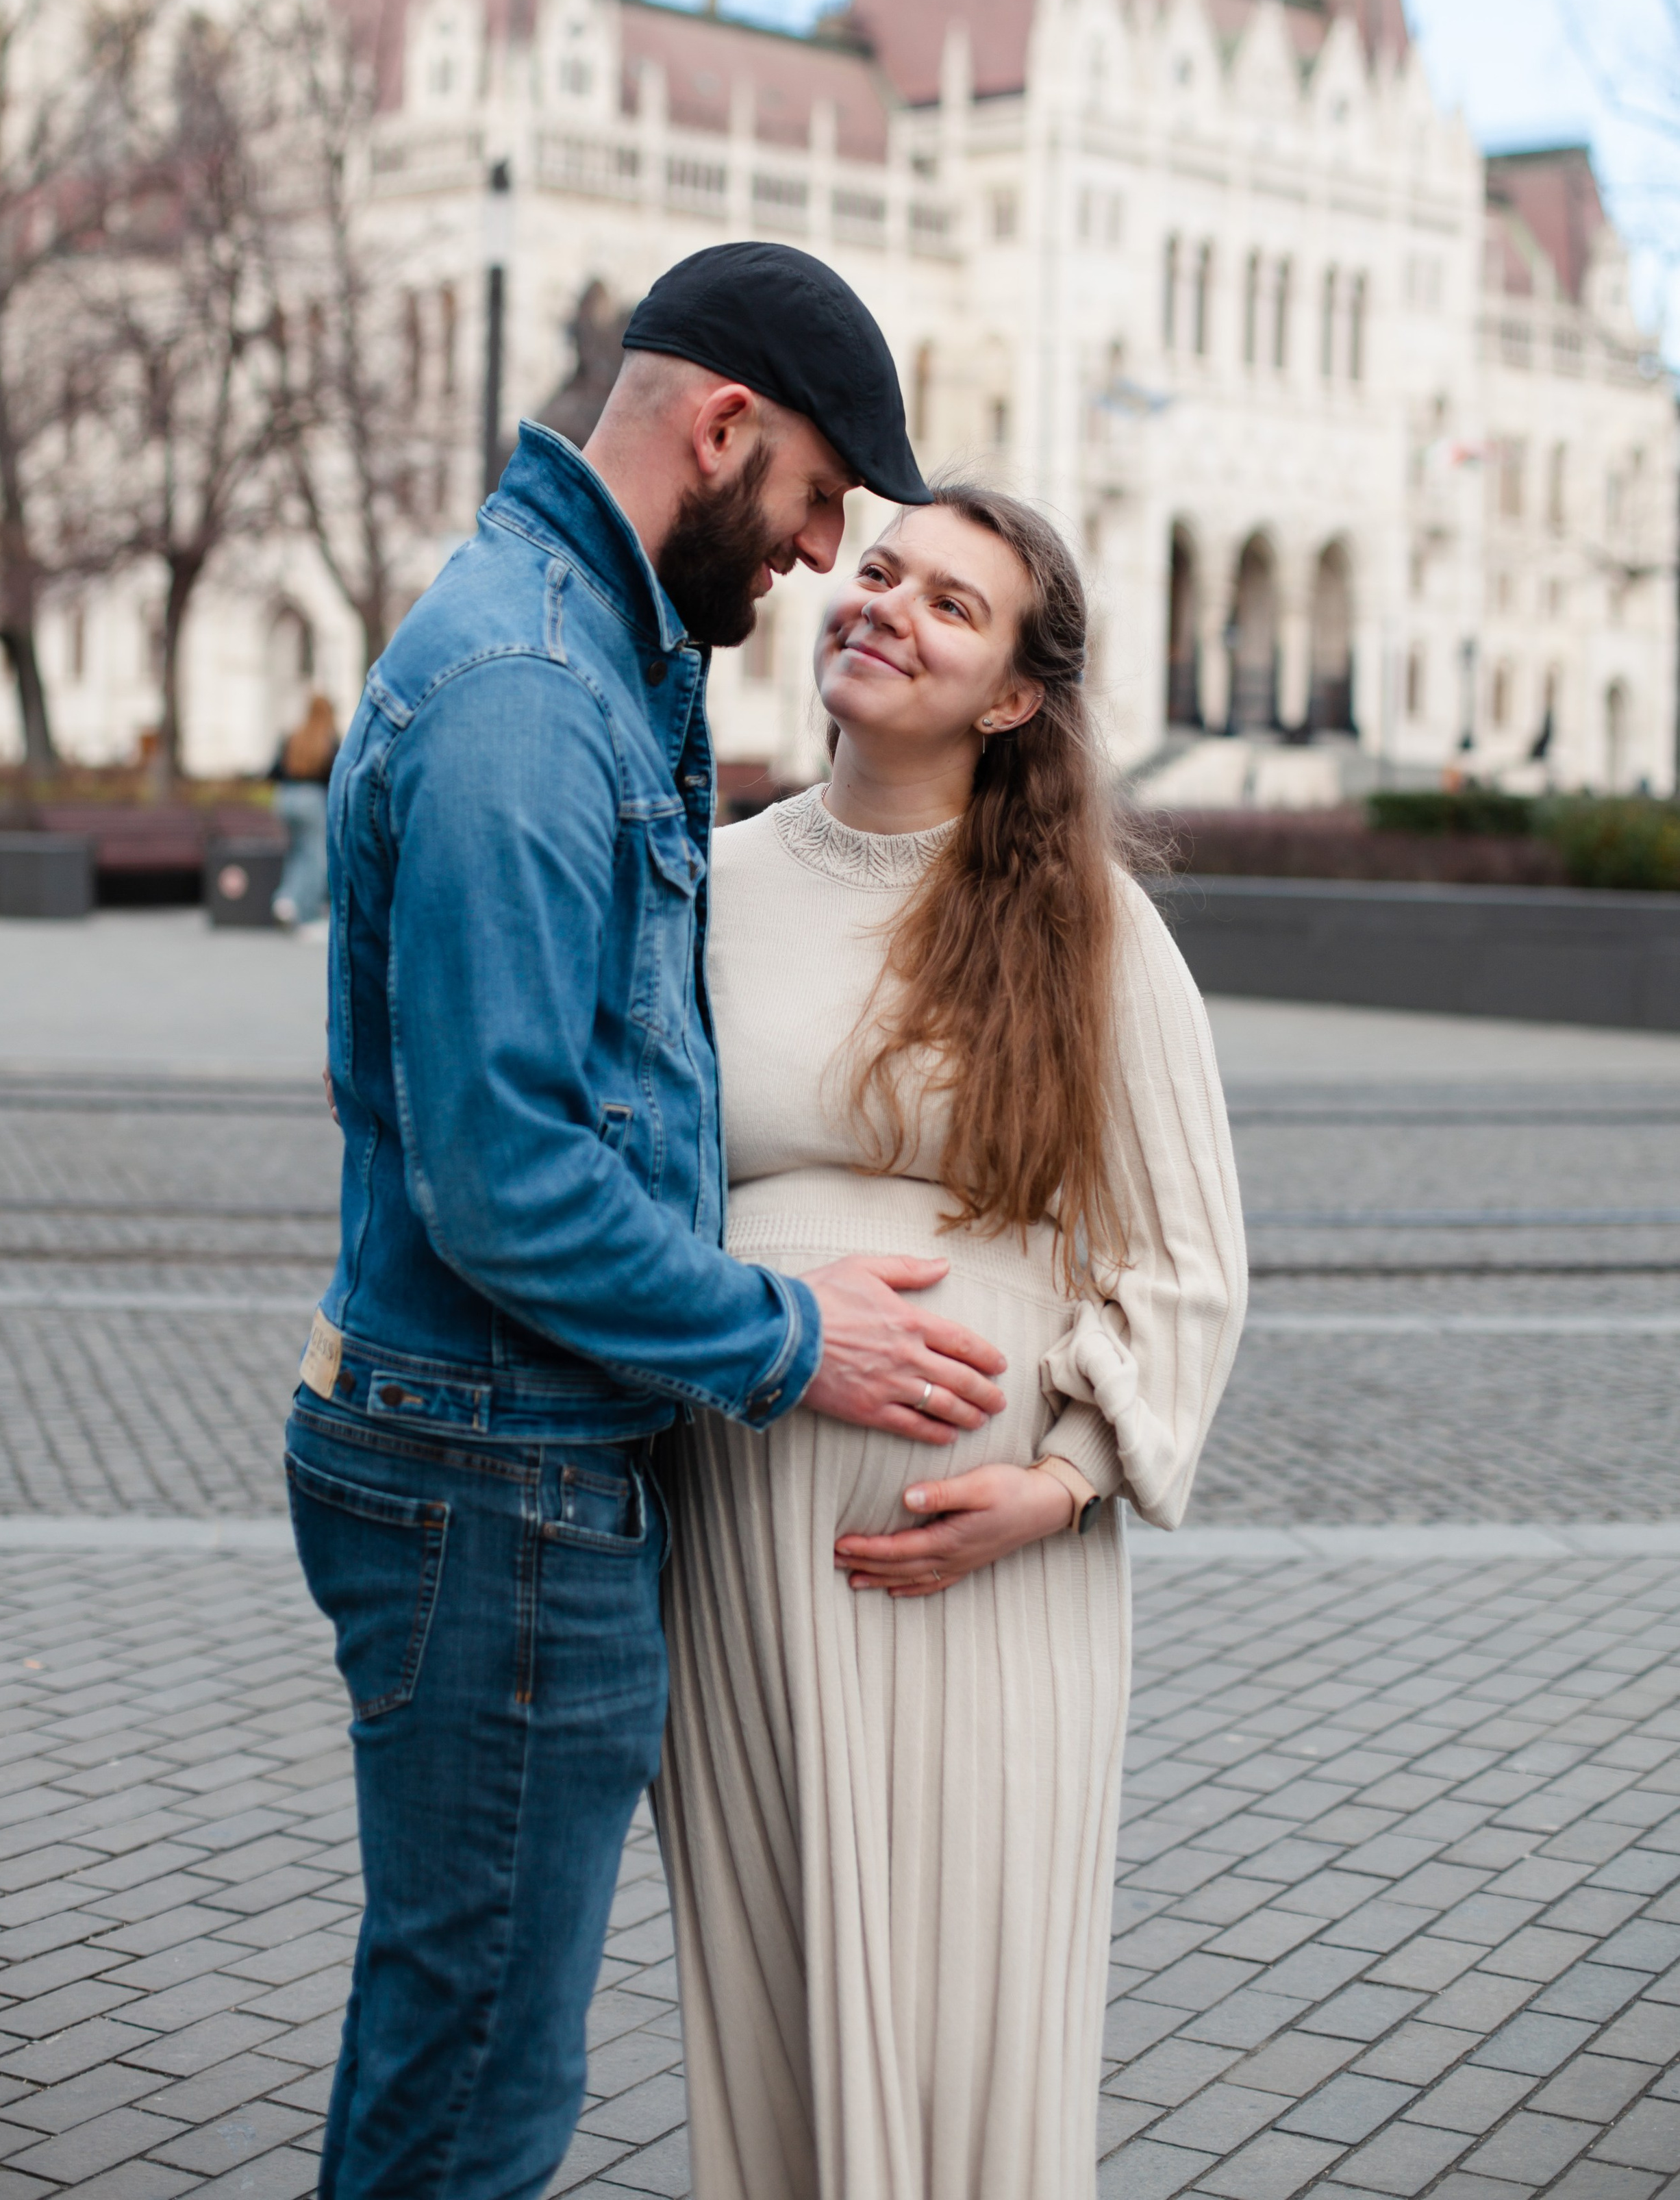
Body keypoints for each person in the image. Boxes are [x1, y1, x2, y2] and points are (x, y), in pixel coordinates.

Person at [286, 244, 1010, 2200]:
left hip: (496, 1458)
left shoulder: (598, 649)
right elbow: (509, 1182)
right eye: (817, 506)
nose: (815, 559)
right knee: (479, 2090)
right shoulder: (533, 690)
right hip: (494, 1474)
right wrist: (798, 1338)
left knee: (464, 2038)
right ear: (725, 430)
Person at [657, 484, 1249, 2200]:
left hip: (986, 1571)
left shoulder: (1084, 923)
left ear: (1009, 694)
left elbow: (1186, 1255)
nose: (886, 607)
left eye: (950, 603)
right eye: (876, 573)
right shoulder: (706, 877)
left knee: (971, 2028)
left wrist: (1060, 1484)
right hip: (749, 1551)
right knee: (771, 2015)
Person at [271, 692, 340, 927]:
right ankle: (307, 914)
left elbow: (274, 770)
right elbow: (334, 776)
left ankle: (287, 898)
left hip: (286, 797)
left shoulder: (293, 736)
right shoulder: (328, 740)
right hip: (311, 799)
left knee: (296, 852)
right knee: (316, 857)